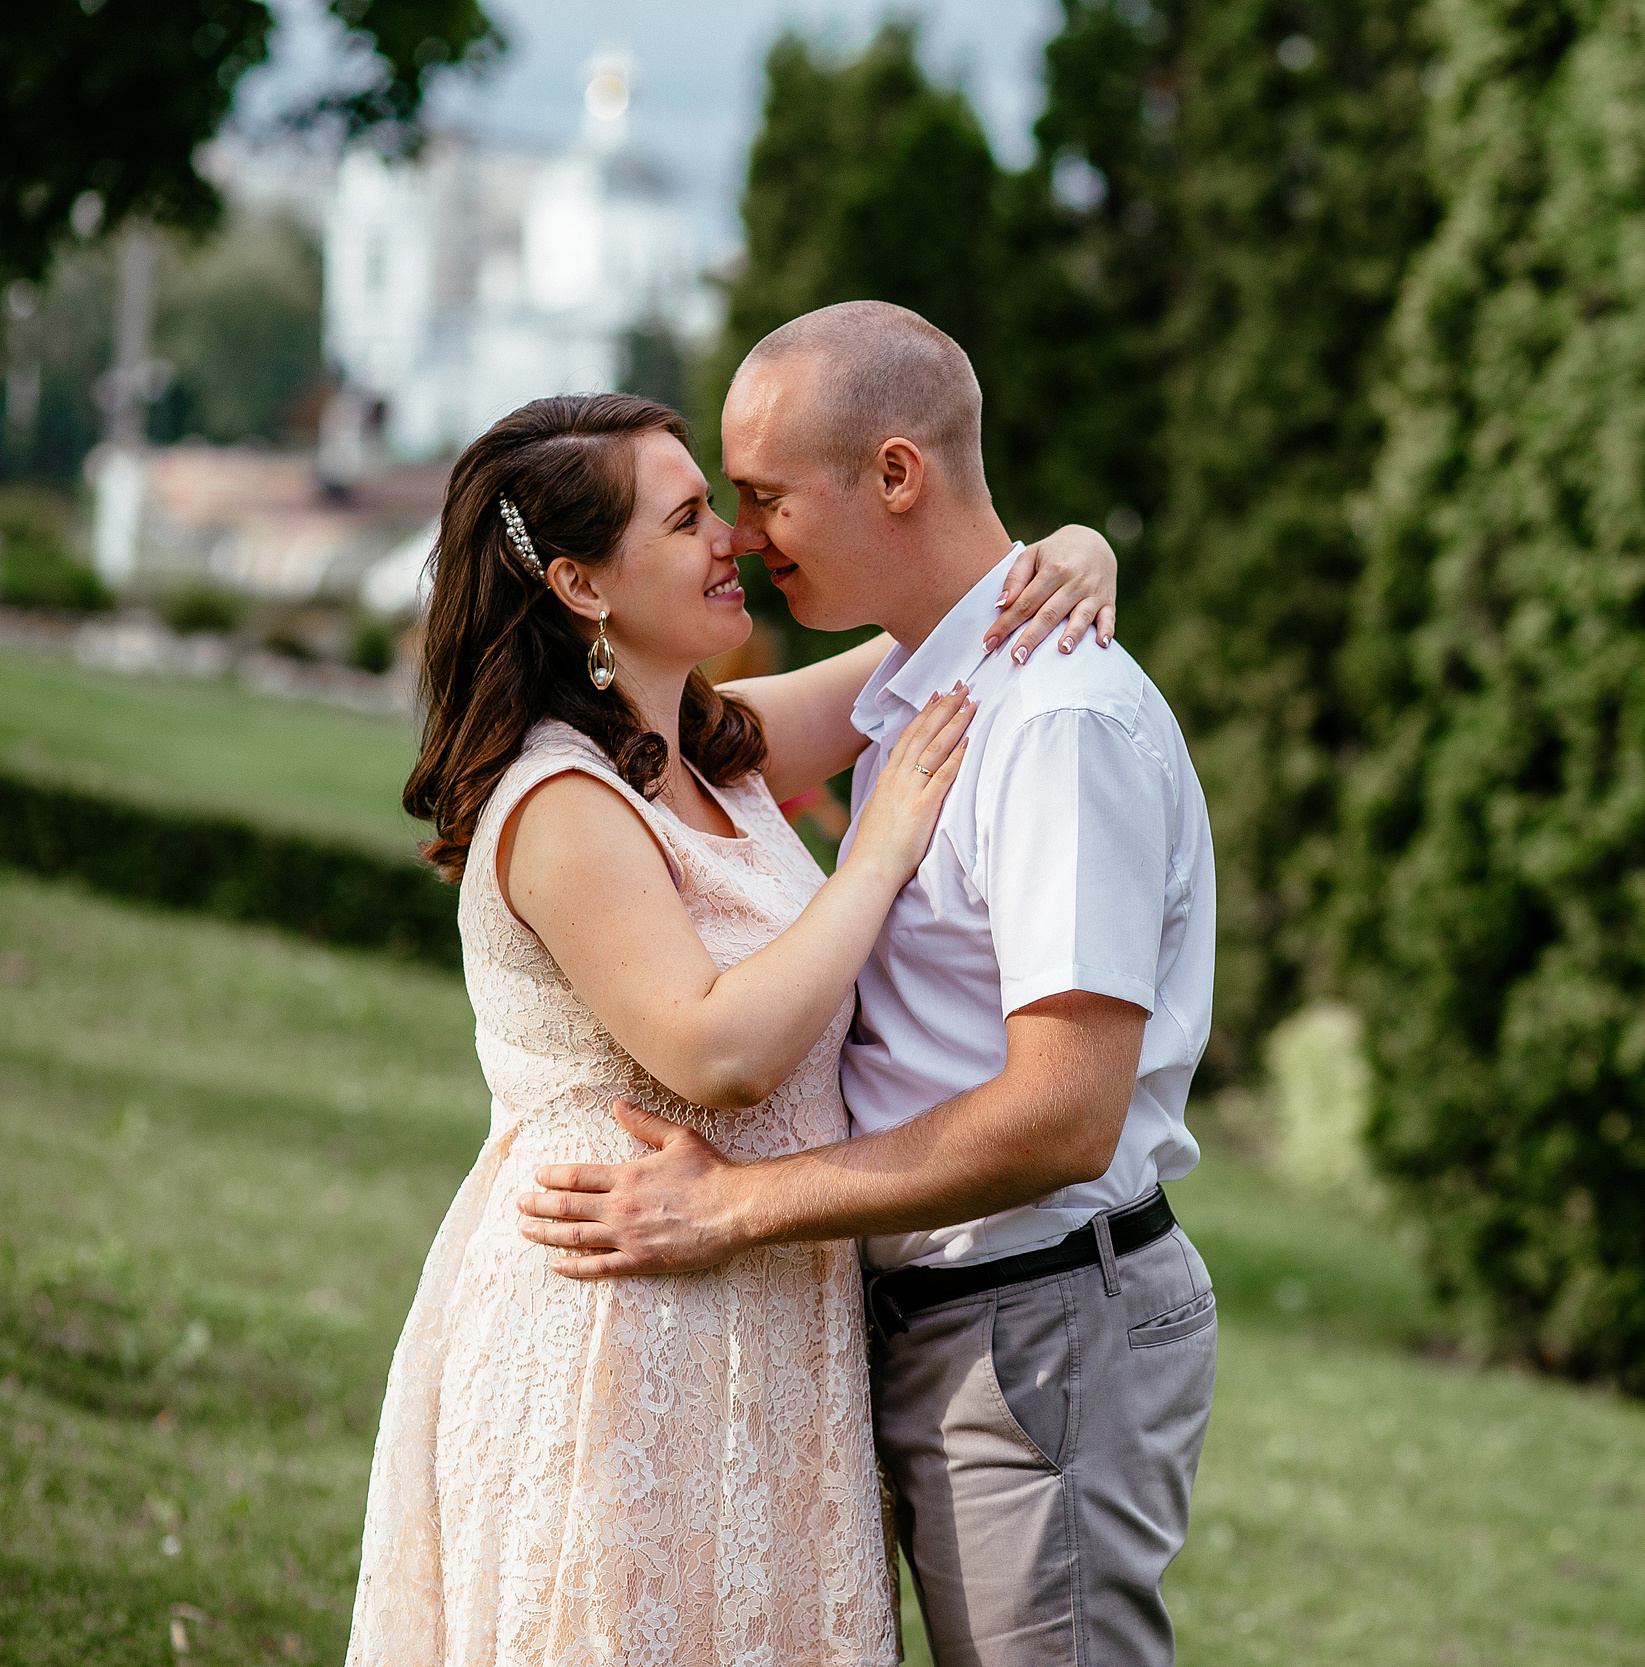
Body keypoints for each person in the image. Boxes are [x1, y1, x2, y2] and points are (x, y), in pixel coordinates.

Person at [345, 389, 1122, 1667]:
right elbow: (715, 1048)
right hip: (617, 1323)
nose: (737, 541)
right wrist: (874, 853)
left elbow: (947, 638)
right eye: (691, 516)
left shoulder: (710, 747)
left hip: (758, 1304)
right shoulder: (561, 798)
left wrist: (1076, 552)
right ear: (586, 583)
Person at [517, 302, 1221, 1667]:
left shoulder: (1053, 719)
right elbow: (675, 748)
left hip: (1037, 1324)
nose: (743, 534)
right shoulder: (926, 677)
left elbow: (1065, 1115)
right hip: (933, 1321)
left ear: (896, 473)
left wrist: (734, 1208)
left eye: (766, 496)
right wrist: (1070, 543)